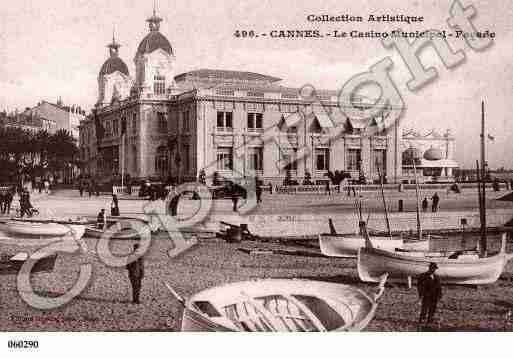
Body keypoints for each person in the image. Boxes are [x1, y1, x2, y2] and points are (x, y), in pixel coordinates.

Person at [417, 262, 442, 328]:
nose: (433, 270)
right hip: (427, 295)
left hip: (434, 296)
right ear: (430, 268)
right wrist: (421, 294)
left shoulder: (437, 277)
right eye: (432, 268)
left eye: (434, 269)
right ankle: (422, 320)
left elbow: (439, 287)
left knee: (432, 309)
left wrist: (439, 295)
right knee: (424, 308)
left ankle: (430, 321)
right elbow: (420, 286)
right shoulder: (423, 276)